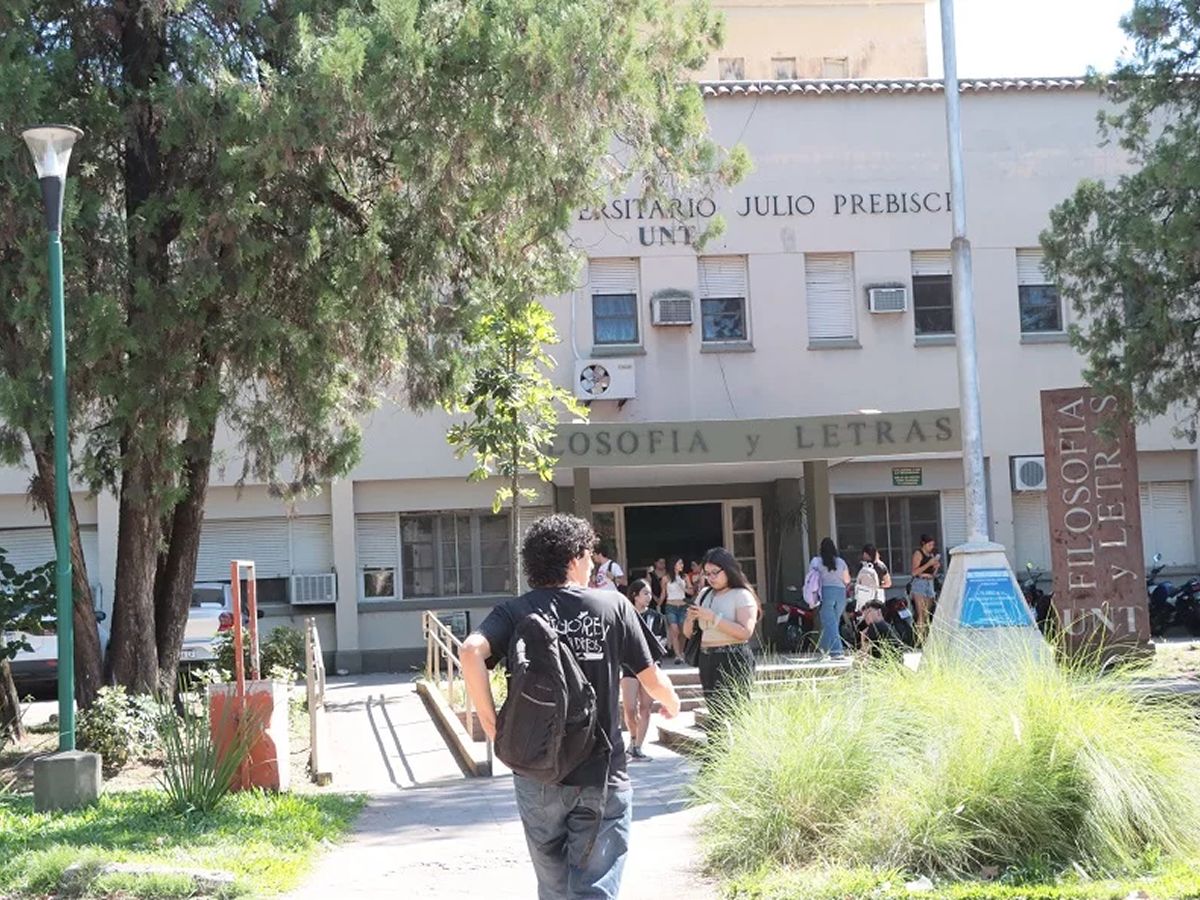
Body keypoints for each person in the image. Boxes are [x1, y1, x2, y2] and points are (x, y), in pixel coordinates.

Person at [460, 514, 681, 900]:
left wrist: (494, 728)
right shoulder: (613, 606)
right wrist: (672, 703)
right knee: (592, 890)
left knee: (554, 889)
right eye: (590, 555)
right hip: (600, 772)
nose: (593, 564)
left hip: (535, 771)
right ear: (575, 556)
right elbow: (651, 679)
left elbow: (469, 652)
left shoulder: (515, 611)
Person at [683, 547, 759, 710]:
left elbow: (745, 632)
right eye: (707, 574)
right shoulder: (704, 594)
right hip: (706, 658)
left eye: (715, 573)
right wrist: (690, 618)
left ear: (728, 569)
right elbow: (688, 634)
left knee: (736, 710)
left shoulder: (741, 595)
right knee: (714, 711)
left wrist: (714, 618)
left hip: (733, 657)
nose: (711, 578)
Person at [621, 579, 665, 760]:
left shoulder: (656, 617)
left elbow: (661, 642)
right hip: (629, 666)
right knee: (630, 708)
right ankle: (632, 739)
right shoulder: (625, 615)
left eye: (649, 593)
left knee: (645, 708)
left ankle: (638, 747)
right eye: (645, 593)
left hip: (650, 666)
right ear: (635, 595)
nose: (648, 597)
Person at [809, 537, 850, 659]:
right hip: (841, 593)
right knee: (833, 623)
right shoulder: (841, 562)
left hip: (826, 593)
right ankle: (824, 648)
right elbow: (847, 580)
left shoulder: (817, 562)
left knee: (829, 623)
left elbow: (811, 577)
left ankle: (837, 651)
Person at [910, 535, 941, 641]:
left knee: (927, 613)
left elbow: (932, 574)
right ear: (923, 544)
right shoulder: (918, 553)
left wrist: (935, 568)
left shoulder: (931, 555)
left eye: (932, 545)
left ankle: (926, 636)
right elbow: (914, 572)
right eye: (929, 545)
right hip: (920, 582)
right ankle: (920, 638)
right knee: (921, 614)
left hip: (929, 582)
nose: (931, 547)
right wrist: (928, 564)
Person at [661, 557, 691, 663]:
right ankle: (677, 655)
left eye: (682, 563)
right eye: (680, 563)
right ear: (674, 564)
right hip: (671, 606)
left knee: (683, 632)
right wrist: (658, 604)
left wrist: (683, 588)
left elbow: (691, 592)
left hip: (683, 605)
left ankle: (681, 652)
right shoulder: (666, 578)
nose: (682, 565)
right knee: (674, 631)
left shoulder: (685, 577)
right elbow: (663, 593)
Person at [856, 543, 892, 611]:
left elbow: (888, 583)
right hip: (868, 595)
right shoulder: (863, 565)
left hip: (874, 595)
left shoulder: (880, 566)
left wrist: (876, 586)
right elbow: (888, 583)